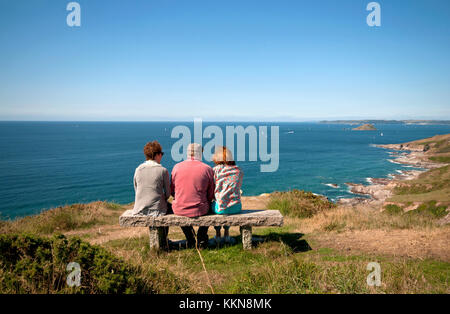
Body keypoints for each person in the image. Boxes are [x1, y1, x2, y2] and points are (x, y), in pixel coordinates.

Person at [170, 143, 215, 248]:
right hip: (201, 209)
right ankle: (202, 236)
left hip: (180, 208)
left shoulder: (176, 167)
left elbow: (172, 191)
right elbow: (211, 194)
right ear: (200, 153)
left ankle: (190, 237)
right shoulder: (207, 169)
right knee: (210, 205)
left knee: (180, 208)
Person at [131, 141, 171, 241]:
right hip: (158, 210)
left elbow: (136, 189)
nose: (161, 156)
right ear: (156, 155)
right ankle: (163, 240)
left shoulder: (138, 169)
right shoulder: (163, 170)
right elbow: (168, 194)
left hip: (139, 209)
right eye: (161, 154)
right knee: (172, 207)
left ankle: (161, 241)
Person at [211, 146, 243, 243]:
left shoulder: (215, 170)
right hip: (236, 206)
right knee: (227, 202)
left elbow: (212, 188)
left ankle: (217, 234)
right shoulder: (238, 171)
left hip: (220, 208)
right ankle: (227, 233)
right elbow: (238, 187)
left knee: (214, 204)